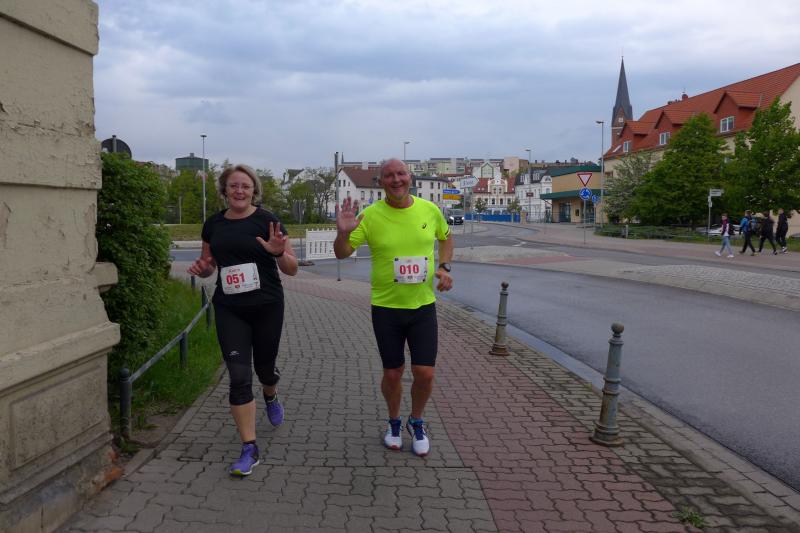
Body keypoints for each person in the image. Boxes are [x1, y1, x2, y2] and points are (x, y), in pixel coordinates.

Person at [334, 159, 453, 457]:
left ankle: (417, 421)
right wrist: (343, 233)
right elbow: (342, 253)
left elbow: (446, 238)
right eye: (389, 176)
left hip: (423, 306)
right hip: (386, 308)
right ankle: (394, 423)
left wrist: (445, 267)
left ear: (410, 178)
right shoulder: (370, 216)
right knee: (393, 373)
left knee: (425, 373)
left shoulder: (430, 210)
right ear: (381, 182)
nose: (396, 179)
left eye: (401, 174)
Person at [188, 164, 298, 476]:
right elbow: (209, 266)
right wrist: (204, 270)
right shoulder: (213, 224)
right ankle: (249, 447)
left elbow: (292, 269)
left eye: (245, 186)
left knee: (265, 370)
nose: (239, 191)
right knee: (238, 376)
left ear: (254, 191)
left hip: (267, 306)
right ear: (224, 190)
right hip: (230, 307)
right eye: (233, 186)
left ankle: (271, 395)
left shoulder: (268, 221)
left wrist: (278, 253)